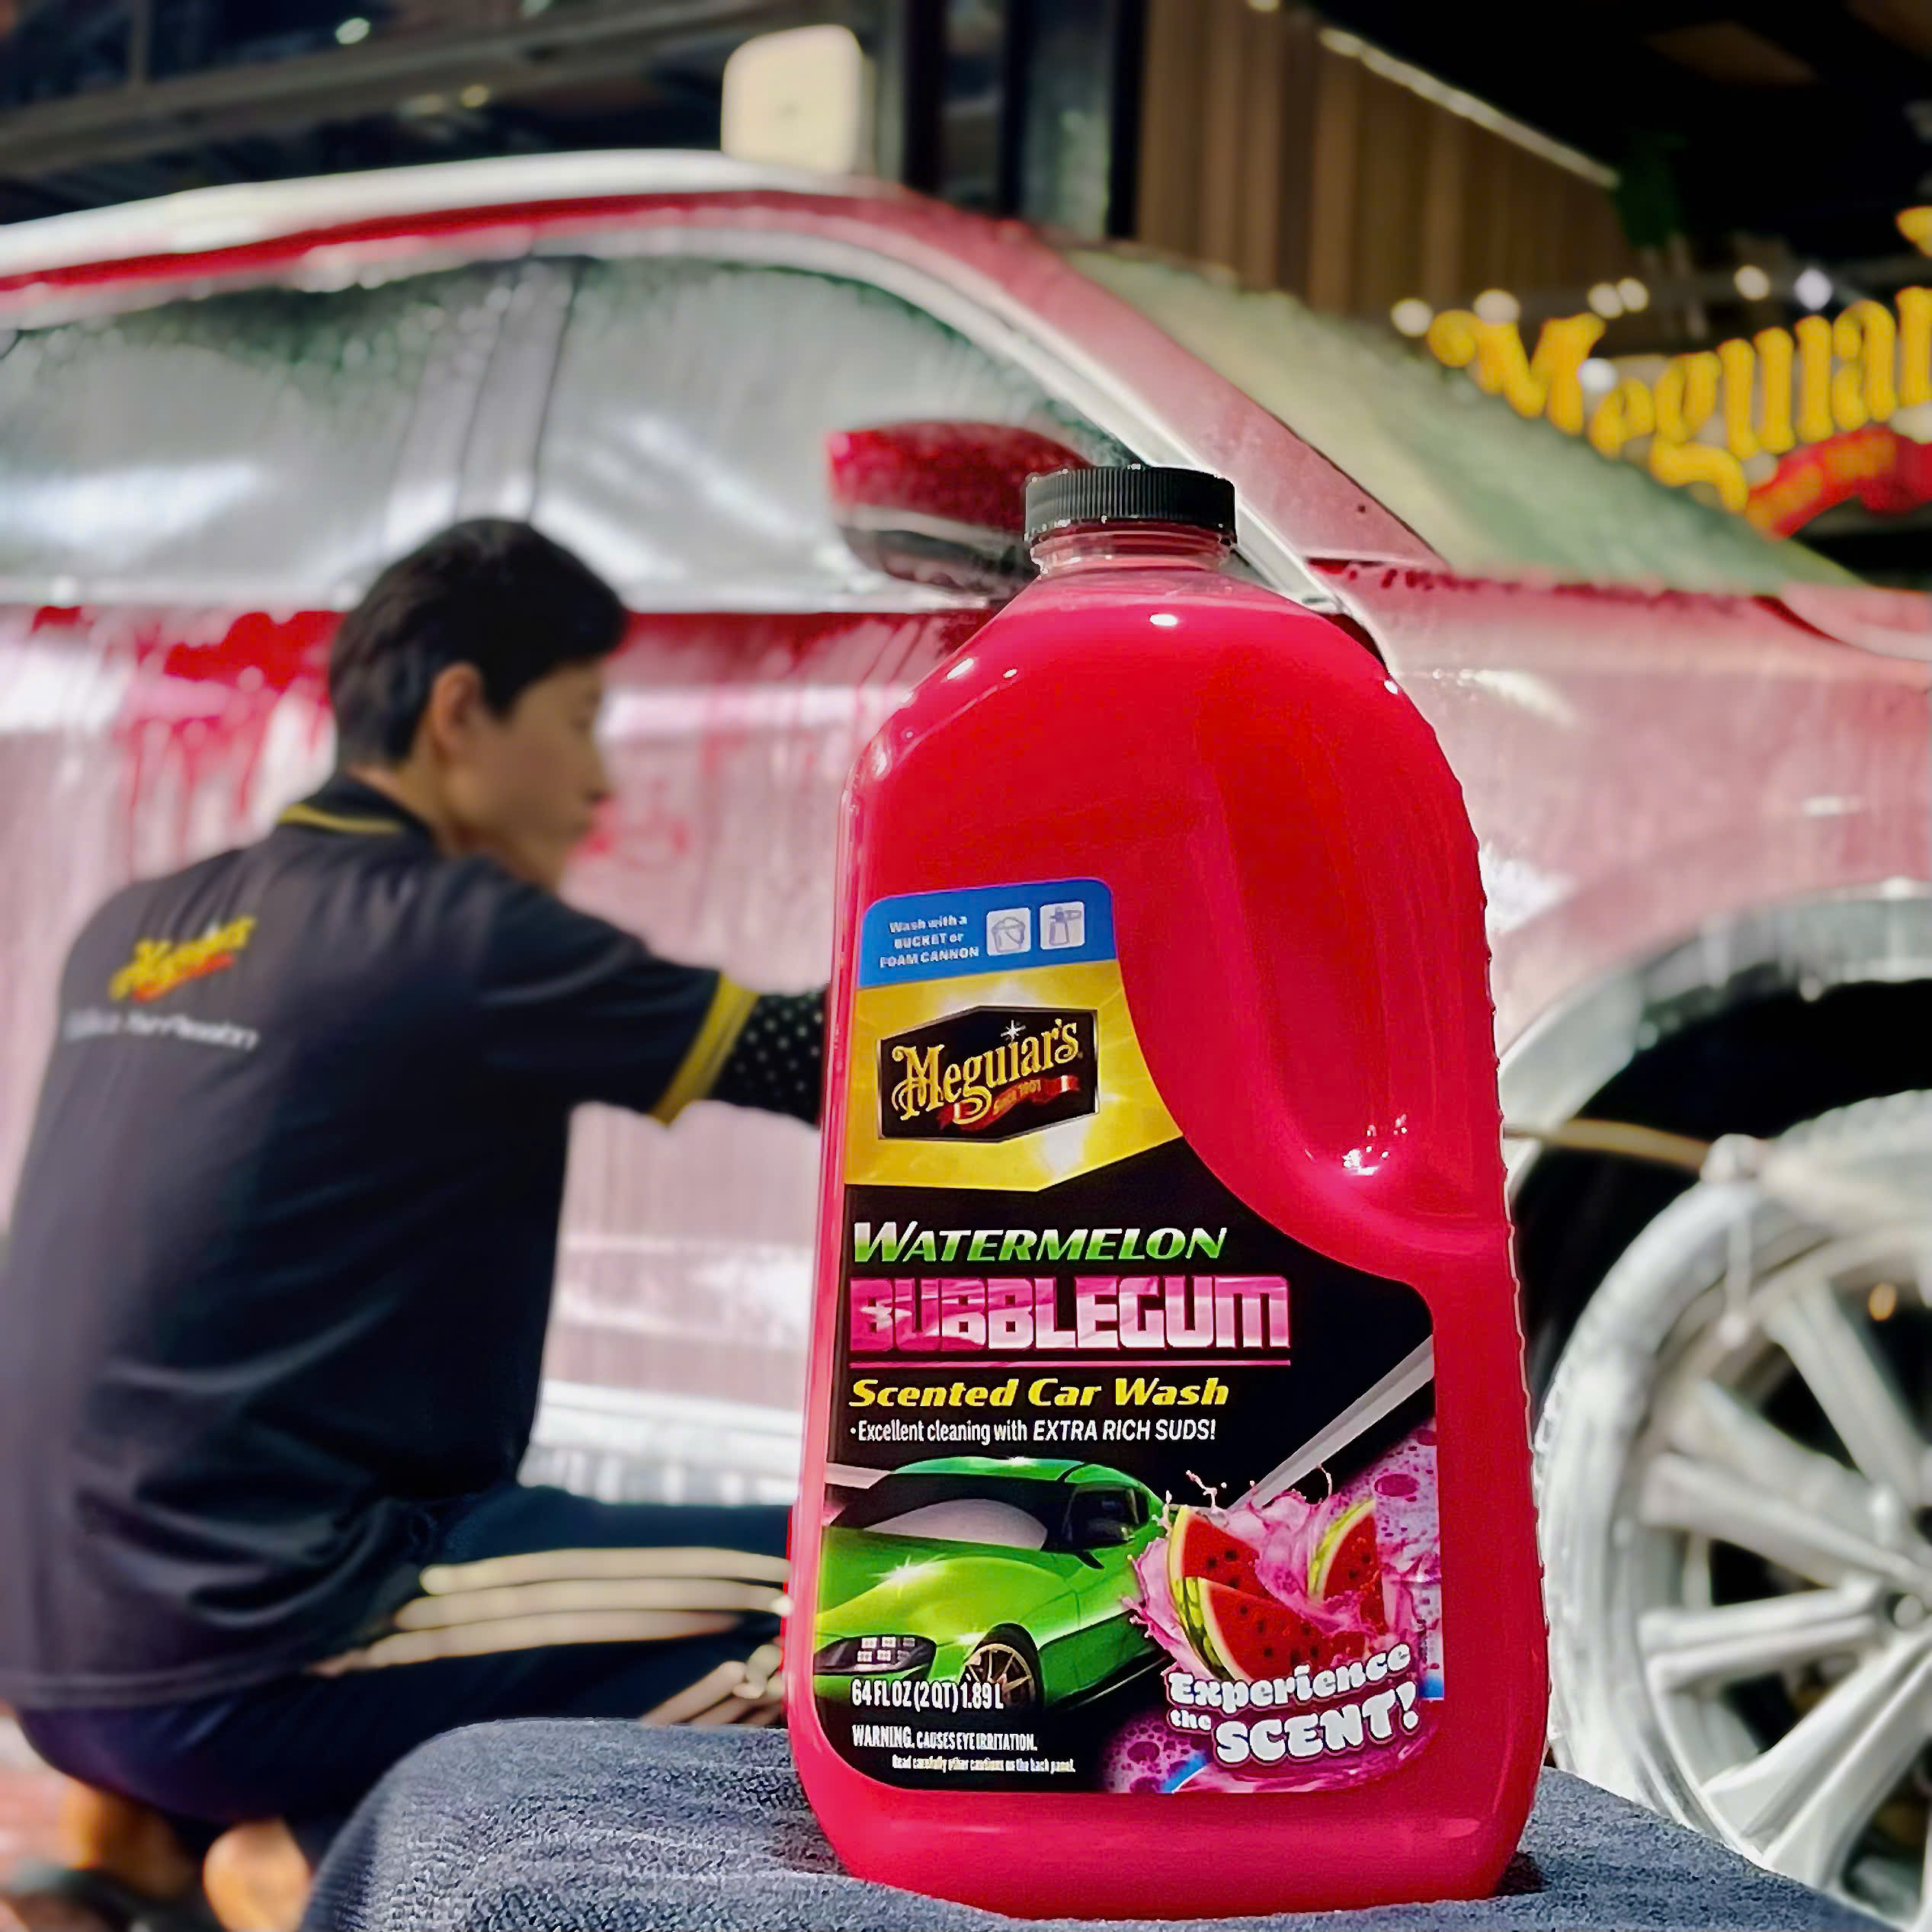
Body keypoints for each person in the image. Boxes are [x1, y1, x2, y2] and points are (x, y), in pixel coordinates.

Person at [0, 521, 825, 1930]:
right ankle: (326, 1858)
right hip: (257, 1644)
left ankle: (134, 1849)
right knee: (850, 1599)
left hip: (52, 1653)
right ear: (459, 712)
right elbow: (833, 1060)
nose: (600, 782)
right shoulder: (463, 933)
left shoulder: (136, 928)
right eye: (579, 721)